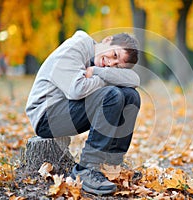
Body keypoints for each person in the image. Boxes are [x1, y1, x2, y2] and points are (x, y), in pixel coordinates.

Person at [25, 30, 141, 195]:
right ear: (107, 40)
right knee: (113, 94)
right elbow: (77, 90)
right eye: (114, 55)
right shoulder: (76, 47)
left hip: (68, 109)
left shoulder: (98, 66)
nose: (110, 64)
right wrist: (112, 78)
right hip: (46, 115)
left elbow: (135, 80)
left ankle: (111, 165)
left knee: (131, 96)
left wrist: (97, 72)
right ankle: (86, 168)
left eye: (117, 66)